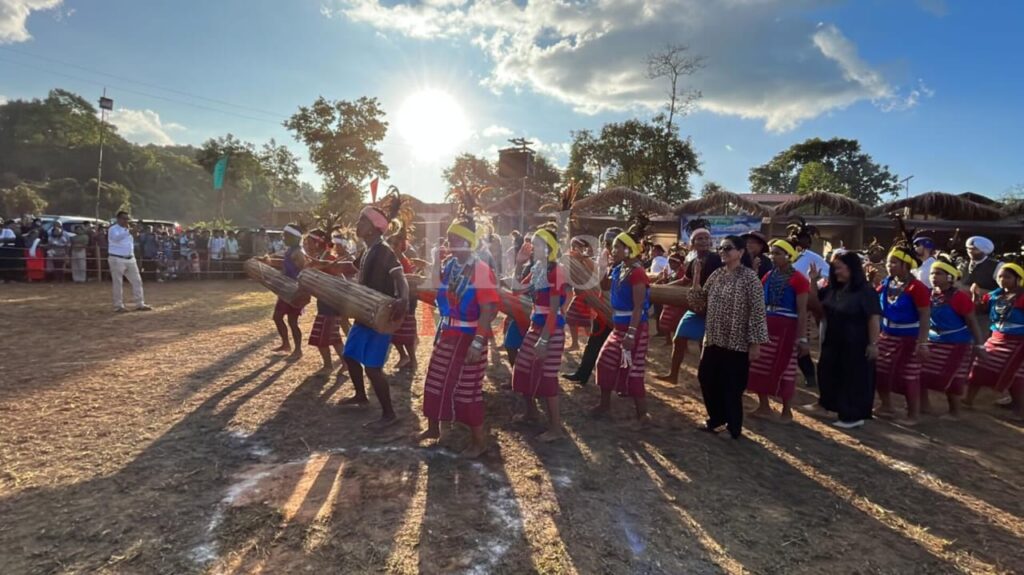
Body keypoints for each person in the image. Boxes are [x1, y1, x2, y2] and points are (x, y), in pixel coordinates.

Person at [420, 205, 499, 458]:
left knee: (467, 390)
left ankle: (479, 441)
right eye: (450, 238)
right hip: (448, 334)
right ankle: (433, 429)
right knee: (435, 380)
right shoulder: (450, 265)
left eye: (457, 239)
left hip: (470, 338)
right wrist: (434, 261)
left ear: (470, 242)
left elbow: (488, 309)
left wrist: (478, 343)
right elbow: (434, 286)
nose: (451, 243)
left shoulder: (482, 270)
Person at [342, 194, 410, 428]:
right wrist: (319, 266)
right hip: (364, 315)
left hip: (381, 316)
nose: (357, 225)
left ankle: (389, 414)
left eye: (361, 221)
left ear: (372, 229)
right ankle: (361, 396)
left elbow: (400, 278)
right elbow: (347, 267)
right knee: (349, 356)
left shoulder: (383, 250)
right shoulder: (367, 250)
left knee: (372, 367)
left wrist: (403, 299)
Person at [697, 235, 769, 439]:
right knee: (706, 377)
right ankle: (716, 418)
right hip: (713, 338)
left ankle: (733, 426)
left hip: (737, 342)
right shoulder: (717, 274)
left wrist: (755, 343)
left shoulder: (750, 278)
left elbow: (757, 312)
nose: (722, 251)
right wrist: (695, 278)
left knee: (732, 385)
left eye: (727, 248)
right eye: (720, 248)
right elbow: (699, 301)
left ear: (740, 252)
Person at [593, 216, 653, 424]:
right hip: (618, 327)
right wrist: (605, 269)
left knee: (634, 371)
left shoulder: (637, 273)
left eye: (617, 247)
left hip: (634, 328)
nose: (613, 250)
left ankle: (642, 415)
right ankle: (604, 404)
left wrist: (631, 334)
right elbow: (605, 287)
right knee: (605, 362)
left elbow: (638, 307)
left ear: (628, 249)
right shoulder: (619, 269)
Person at [811, 251, 881, 428]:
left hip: (856, 342)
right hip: (834, 340)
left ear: (852, 268)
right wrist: (813, 280)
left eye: (840, 268)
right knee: (828, 372)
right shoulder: (834, 289)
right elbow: (815, 303)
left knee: (852, 378)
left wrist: (873, 344)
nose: (836, 272)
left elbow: (873, 318)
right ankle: (830, 405)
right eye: (835, 269)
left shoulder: (865, 291)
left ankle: (853, 416)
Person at [511, 224, 569, 441]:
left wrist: (544, 339)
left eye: (536, 242)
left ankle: (556, 428)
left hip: (551, 331)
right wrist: (518, 264)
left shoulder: (557, 271)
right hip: (536, 327)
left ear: (548, 247)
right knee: (522, 368)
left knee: (548, 377)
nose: (532, 246)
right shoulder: (536, 269)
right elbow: (517, 290)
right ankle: (531, 412)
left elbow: (554, 310)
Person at [747, 238, 810, 423]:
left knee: (785, 369)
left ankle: (787, 411)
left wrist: (802, 338)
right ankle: (764, 406)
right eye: (772, 253)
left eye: (778, 253)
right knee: (759, 366)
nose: (773, 257)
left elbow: (802, 311)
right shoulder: (768, 275)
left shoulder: (799, 279)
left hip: (786, 330)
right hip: (766, 326)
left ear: (789, 257)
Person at [919, 254, 986, 419]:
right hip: (933, 341)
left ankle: (954, 412)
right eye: (933, 274)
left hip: (957, 344)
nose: (934, 277)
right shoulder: (928, 294)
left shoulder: (959, 297)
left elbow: (972, 323)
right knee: (921, 373)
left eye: (939, 274)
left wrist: (979, 346)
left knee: (954, 378)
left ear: (950, 277)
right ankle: (924, 405)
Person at [875, 237, 931, 426]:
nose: (889, 265)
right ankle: (886, 406)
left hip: (910, 338)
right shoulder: (887, 282)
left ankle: (913, 414)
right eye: (889, 262)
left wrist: (922, 343)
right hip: (887, 336)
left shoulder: (917, 288)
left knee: (908, 376)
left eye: (894, 262)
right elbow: (874, 299)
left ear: (906, 265)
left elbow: (925, 315)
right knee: (880, 372)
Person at [659, 219, 721, 384]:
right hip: (694, 309)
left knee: (705, 346)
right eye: (699, 239)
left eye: (706, 238)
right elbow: (684, 281)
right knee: (678, 339)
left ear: (711, 242)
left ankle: (706, 380)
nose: (704, 241)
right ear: (692, 243)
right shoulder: (693, 262)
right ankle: (673, 375)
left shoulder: (717, 260)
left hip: (712, 310)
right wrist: (660, 287)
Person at [963, 260, 1024, 418]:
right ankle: (968, 400)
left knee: (1014, 375)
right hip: (995, 339)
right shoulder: (994, 295)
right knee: (979, 367)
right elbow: (979, 309)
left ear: (1018, 279)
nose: (1003, 280)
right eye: (1001, 276)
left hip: (1018, 343)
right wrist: (975, 297)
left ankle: (1020, 410)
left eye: (1008, 277)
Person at [562, 227, 621, 386]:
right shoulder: (606, 259)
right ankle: (582, 374)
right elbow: (597, 271)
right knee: (593, 344)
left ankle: (623, 383)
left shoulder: (624, 265)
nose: (610, 247)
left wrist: (583, 259)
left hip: (619, 315)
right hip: (603, 310)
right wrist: (582, 259)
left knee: (618, 351)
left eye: (613, 243)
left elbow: (599, 274)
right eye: (608, 242)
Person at [304, 229, 347, 376]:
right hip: (325, 303)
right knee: (334, 338)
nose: (307, 244)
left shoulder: (328, 258)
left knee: (321, 339)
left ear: (317, 243)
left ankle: (328, 366)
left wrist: (322, 265)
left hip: (330, 304)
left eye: (309, 242)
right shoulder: (319, 258)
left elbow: (341, 279)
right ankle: (345, 363)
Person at [263, 223, 307, 359]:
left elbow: (305, 272)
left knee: (293, 322)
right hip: (285, 291)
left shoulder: (299, 253)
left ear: (294, 237)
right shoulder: (290, 251)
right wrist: (267, 262)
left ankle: (298, 350)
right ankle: (286, 344)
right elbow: (284, 264)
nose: (283, 238)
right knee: (277, 317)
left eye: (286, 235)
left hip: (295, 291)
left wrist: (301, 291)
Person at [388, 214, 419, 371]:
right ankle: (403, 357)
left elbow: (407, 281)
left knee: (406, 334)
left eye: (394, 243)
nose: (391, 246)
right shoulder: (390, 259)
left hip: (407, 299)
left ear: (401, 244)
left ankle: (412, 360)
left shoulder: (404, 260)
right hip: (394, 298)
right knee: (394, 333)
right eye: (390, 243)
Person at [107, 211, 151, 311]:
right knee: (118, 283)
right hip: (116, 258)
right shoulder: (113, 229)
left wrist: (134, 232)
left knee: (137, 281)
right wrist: (129, 232)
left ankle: (140, 303)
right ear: (118, 219)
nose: (126, 220)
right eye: (124, 218)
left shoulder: (128, 230)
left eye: (127, 219)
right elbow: (116, 238)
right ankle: (118, 306)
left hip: (130, 258)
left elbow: (133, 240)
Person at [564, 236, 595, 351]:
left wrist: (583, 258)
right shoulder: (573, 259)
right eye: (573, 246)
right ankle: (578, 344)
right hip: (579, 294)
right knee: (574, 319)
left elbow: (592, 270)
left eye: (576, 246)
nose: (574, 249)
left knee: (584, 321)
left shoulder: (587, 259)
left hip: (586, 295)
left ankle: (588, 344)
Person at [656, 249, 686, 345]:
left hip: (678, 301)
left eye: (671, 263)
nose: (670, 265)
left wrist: (666, 285)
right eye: (669, 263)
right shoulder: (672, 272)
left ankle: (682, 345)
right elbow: (665, 280)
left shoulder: (682, 272)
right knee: (665, 320)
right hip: (669, 301)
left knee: (678, 323)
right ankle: (668, 340)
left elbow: (683, 282)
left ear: (677, 263)